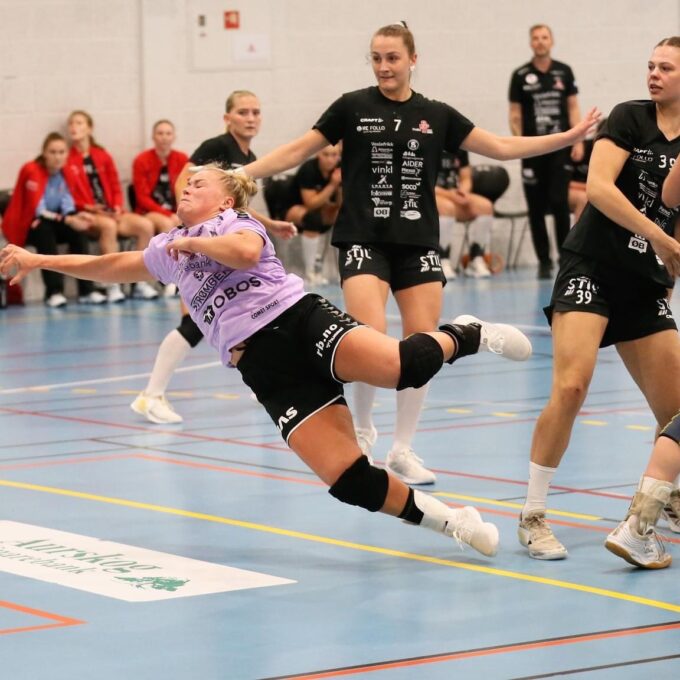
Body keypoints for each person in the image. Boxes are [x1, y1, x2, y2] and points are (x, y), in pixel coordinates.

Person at [0, 166, 536, 560]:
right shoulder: (169, 245)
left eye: (197, 183)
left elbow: (244, 254)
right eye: (183, 184)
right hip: (263, 368)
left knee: (403, 367)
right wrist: (36, 258)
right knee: (349, 480)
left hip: (297, 322)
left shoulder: (234, 223)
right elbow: (111, 262)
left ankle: (470, 332)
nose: (186, 188)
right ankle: (452, 522)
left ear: (226, 197)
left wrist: (193, 244)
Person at [238, 22, 600, 485]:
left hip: (416, 243)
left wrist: (567, 137)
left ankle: (403, 448)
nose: (384, 67)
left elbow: (501, 146)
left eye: (392, 58)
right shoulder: (352, 106)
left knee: (421, 341)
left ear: (413, 59)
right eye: (376, 58)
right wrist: (244, 173)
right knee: (368, 334)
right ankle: (363, 432)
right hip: (363, 238)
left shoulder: (436, 114)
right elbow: (297, 150)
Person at [517, 37, 680, 563]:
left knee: (675, 411)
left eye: (666, 68)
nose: (653, 74)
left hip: (644, 281)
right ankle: (533, 514)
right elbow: (599, 189)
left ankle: (665, 498)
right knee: (572, 385)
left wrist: (668, 270)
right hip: (592, 266)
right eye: (650, 65)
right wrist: (658, 237)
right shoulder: (630, 117)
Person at [130, 90, 297, 424]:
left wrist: (270, 224)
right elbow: (185, 181)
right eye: (243, 112)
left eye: (255, 112)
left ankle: (263, 382)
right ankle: (151, 395)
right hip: (199, 251)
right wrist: (193, 228)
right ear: (227, 118)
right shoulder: (215, 148)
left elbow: (235, 206)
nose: (250, 118)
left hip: (223, 252)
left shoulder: (249, 157)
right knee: (193, 324)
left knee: (248, 316)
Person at [509, 24, 583, 279]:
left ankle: (564, 257)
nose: (540, 42)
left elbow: (573, 108)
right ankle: (544, 260)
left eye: (544, 37)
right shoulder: (520, 75)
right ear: (531, 43)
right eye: (536, 38)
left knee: (559, 201)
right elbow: (515, 114)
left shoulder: (564, 71)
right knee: (536, 206)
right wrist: (518, 143)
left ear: (551, 41)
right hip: (532, 148)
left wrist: (578, 140)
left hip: (560, 147)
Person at [0, 132, 105, 307]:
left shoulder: (67, 172)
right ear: (44, 153)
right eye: (53, 152)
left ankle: (87, 290)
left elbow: (67, 204)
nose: (57, 157)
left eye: (61, 152)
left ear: (67, 154)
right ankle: (54, 292)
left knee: (78, 232)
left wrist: (76, 216)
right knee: (45, 231)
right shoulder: (31, 170)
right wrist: (68, 220)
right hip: (28, 224)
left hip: (53, 221)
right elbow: (39, 211)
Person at [66, 110, 159, 301]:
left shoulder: (102, 155)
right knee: (108, 227)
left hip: (111, 211)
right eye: (71, 123)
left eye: (79, 123)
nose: (74, 127)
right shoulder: (67, 159)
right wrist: (87, 207)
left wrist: (117, 206)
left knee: (145, 225)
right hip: (89, 214)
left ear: (89, 128)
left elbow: (115, 184)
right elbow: (67, 194)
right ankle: (113, 284)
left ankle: (139, 282)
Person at [285, 144, 342, 285]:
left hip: (324, 209)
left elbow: (341, 204)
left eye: (334, 155)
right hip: (294, 208)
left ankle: (343, 271)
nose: (330, 159)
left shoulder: (340, 169)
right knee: (313, 219)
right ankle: (310, 272)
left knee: (346, 218)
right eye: (326, 155)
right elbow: (310, 204)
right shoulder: (309, 169)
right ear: (318, 154)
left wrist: (340, 187)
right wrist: (333, 185)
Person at [436, 150, 493, 279]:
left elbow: (466, 177)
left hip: (454, 195)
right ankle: (442, 260)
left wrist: (463, 192)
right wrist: (449, 194)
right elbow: (421, 180)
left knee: (485, 207)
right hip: (431, 194)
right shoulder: (426, 143)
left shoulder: (459, 146)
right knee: (447, 208)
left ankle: (476, 258)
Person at [132, 119, 188, 234]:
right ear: (153, 137)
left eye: (168, 133)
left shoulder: (182, 158)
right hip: (149, 211)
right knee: (167, 223)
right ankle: (165, 247)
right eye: (160, 133)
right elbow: (142, 197)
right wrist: (168, 214)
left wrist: (181, 212)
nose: (164, 137)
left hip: (175, 209)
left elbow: (186, 189)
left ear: (174, 137)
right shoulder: (141, 160)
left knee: (190, 221)